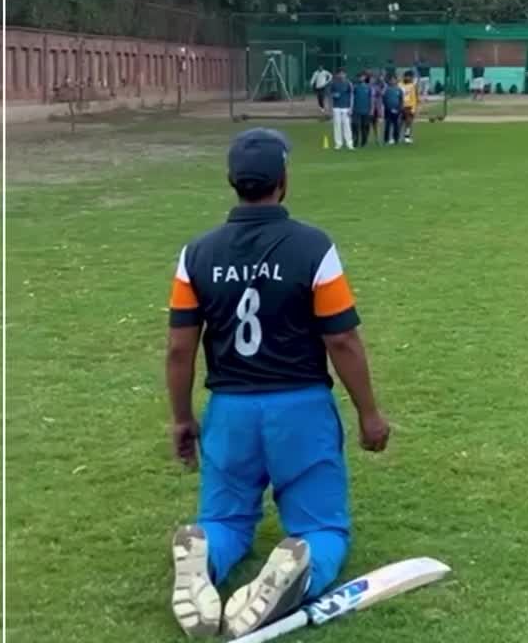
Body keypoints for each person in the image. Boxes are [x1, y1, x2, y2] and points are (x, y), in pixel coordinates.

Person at [167, 129, 390, 639]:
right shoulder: (314, 247)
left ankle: (203, 556)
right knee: (322, 527)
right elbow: (342, 340)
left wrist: (181, 418)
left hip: (230, 411)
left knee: (226, 521)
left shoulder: (196, 253)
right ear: (283, 180)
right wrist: (369, 414)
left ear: (231, 180)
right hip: (300, 409)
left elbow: (179, 348)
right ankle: (299, 569)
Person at [329, 68, 354, 151]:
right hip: (336, 107)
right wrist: (334, 95)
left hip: (346, 107)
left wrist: (351, 108)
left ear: (345, 74)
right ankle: (338, 143)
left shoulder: (348, 83)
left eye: (343, 73)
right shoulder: (333, 83)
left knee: (347, 126)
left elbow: (352, 96)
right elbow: (330, 96)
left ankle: (349, 143)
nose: (341, 75)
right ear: (337, 75)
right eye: (339, 73)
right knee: (337, 125)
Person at [351, 73, 373, 149]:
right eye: (359, 77)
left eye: (362, 77)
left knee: (365, 126)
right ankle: (355, 141)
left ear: (365, 78)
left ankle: (364, 142)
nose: (361, 78)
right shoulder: (355, 87)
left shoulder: (368, 87)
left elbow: (371, 99)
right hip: (356, 110)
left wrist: (371, 109)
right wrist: (351, 109)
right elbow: (351, 98)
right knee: (355, 126)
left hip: (366, 110)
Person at [382, 75, 404, 145]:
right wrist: (388, 108)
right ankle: (386, 140)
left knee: (396, 125)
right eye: (391, 80)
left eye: (394, 80)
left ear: (396, 81)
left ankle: (396, 139)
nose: (392, 81)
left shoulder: (399, 89)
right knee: (387, 125)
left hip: (397, 110)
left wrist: (399, 108)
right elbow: (384, 100)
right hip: (388, 110)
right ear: (389, 81)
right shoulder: (386, 89)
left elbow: (401, 100)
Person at [401, 70, 418, 145]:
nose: (409, 78)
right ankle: (395, 136)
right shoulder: (399, 85)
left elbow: (414, 98)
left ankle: (407, 137)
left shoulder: (412, 86)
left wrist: (413, 108)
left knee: (408, 123)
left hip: (409, 107)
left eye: (410, 77)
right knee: (399, 123)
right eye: (407, 76)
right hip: (400, 106)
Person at [370, 72, 385, 145]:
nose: (372, 80)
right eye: (371, 78)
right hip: (370, 107)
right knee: (369, 124)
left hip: (377, 107)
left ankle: (378, 138)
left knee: (377, 123)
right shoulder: (368, 86)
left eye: (373, 78)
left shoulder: (380, 86)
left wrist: (378, 90)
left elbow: (382, 93)